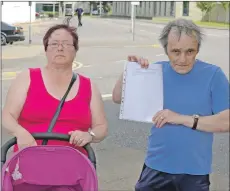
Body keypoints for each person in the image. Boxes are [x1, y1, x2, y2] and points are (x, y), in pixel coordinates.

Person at [112, 18, 229, 191]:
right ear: (166, 50)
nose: (182, 59)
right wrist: (129, 72)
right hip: (156, 166)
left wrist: (181, 118)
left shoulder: (213, 75)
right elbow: (116, 97)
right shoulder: (155, 72)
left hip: (194, 172)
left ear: (197, 50)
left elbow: (226, 121)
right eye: (176, 51)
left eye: (190, 51)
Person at [2, 24, 108, 156]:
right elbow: (7, 117)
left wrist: (89, 135)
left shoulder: (89, 86)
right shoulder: (27, 78)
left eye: (66, 44)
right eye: (54, 44)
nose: (60, 48)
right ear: (46, 49)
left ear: (75, 50)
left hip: (74, 166)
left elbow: (101, 127)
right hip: (30, 162)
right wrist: (20, 133)